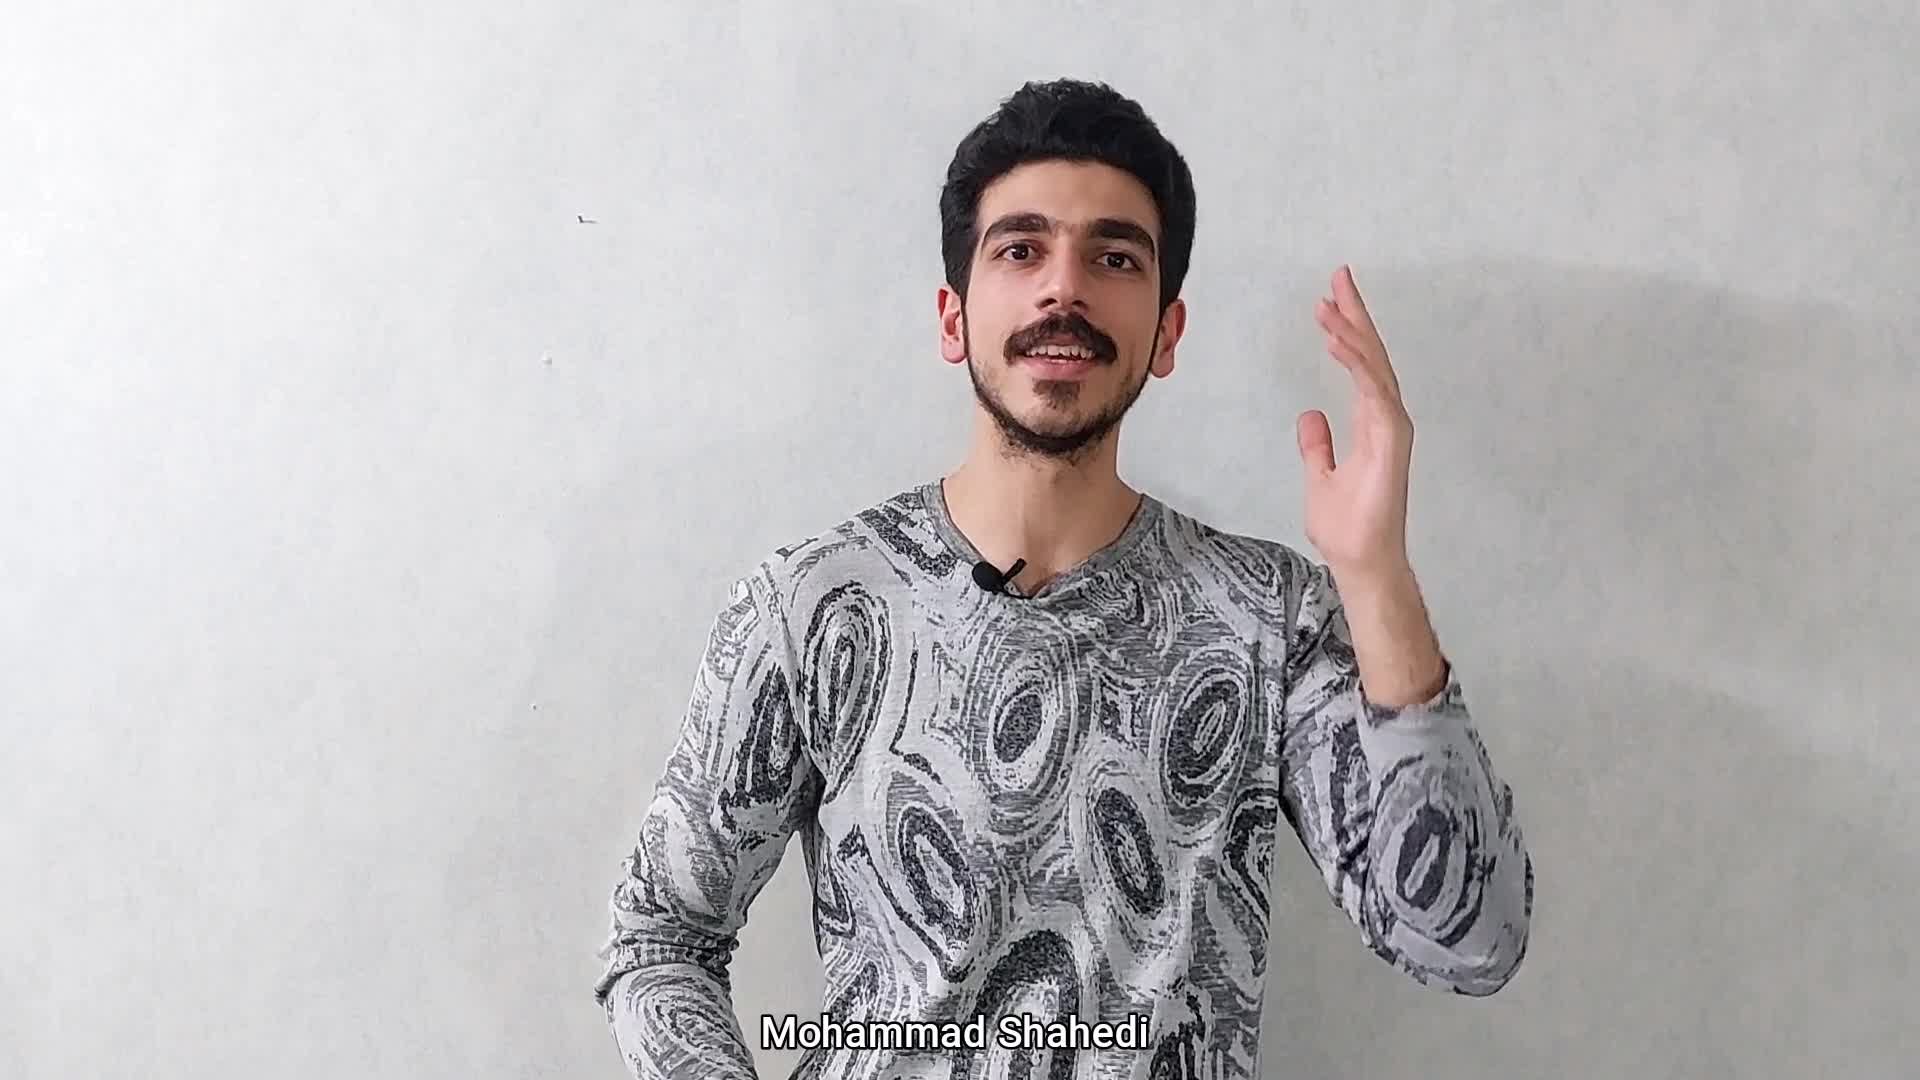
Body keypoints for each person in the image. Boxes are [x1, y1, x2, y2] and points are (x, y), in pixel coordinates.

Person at [592, 77, 1532, 1080]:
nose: (1064, 289)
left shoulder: (1269, 616)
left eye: (1114, 257)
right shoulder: (819, 605)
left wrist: (1376, 574)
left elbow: (1469, 940)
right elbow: (660, 938)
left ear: (1166, 334)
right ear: (953, 318)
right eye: (1021, 250)